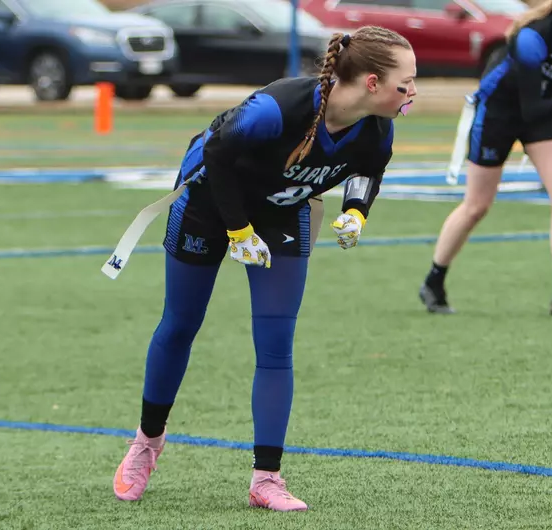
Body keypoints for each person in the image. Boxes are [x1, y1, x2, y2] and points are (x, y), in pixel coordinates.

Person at [112, 26, 417, 512]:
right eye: (407, 83)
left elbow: (368, 169)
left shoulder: (378, 126)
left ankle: (266, 478)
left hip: (279, 212)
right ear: (373, 82)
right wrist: (237, 229)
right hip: (211, 201)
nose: (414, 93)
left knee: (276, 344)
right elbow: (216, 154)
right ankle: (147, 442)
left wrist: (356, 211)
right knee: (180, 324)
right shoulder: (279, 108)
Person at [419, 0, 552, 317]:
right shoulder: (533, 38)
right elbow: (532, 107)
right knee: (477, 206)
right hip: (499, 112)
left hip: (545, 111)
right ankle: (434, 281)